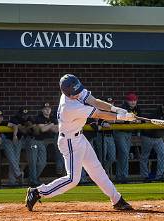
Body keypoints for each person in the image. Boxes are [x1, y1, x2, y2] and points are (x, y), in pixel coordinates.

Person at [25, 74, 136, 211]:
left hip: (79, 138)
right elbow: (98, 114)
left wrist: (116, 109)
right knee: (73, 179)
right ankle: (37, 192)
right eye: (75, 93)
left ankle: (117, 199)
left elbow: (94, 101)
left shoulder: (74, 90)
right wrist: (120, 117)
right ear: (67, 92)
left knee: (97, 170)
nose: (78, 94)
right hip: (69, 142)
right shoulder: (69, 107)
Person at [140, 99, 164, 181]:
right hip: (148, 136)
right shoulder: (157, 113)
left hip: (158, 138)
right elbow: (152, 122)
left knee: (162, 155)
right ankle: (145, 176)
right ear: (162, 106)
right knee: (145, 156)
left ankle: (159, 176)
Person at [114, 93, 141, 183]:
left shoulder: (137, 109)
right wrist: (131, 121)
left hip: (129, 133)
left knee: (124, 155)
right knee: (124, 153)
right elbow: (119, 120)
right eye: (131, 100)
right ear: (127, 101)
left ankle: (120, 176)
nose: (133, 102)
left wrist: (137, 121)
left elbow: (140, 120)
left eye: (134, 100)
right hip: (120, 132)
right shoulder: (123, 108)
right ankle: (124, 176)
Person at [30, 103, 58, 186]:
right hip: (33, 141)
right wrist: (51, 125)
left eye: (49, 108)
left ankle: (34, 178)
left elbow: (57, 130)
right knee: (33, 161)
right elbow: (42, 129)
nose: (47, 110)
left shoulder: (53, 118)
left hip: (42, 141)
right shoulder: (39, 118)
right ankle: (33, 180)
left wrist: (48, 126)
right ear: (42, 110)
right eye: (45, 109)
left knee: (42, 162)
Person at [95, 97, 117, 175]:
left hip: (110, 136)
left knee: (112, 158)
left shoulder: (114, 111)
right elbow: (95, 122)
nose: (110, 104)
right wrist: (102, 123)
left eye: (112, 103)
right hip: (101, 136)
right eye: (108, 103)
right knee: (102, 158)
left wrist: (104, 121)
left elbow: (115, 120)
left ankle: (103, 171)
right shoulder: (100, 111)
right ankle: (100, 175)